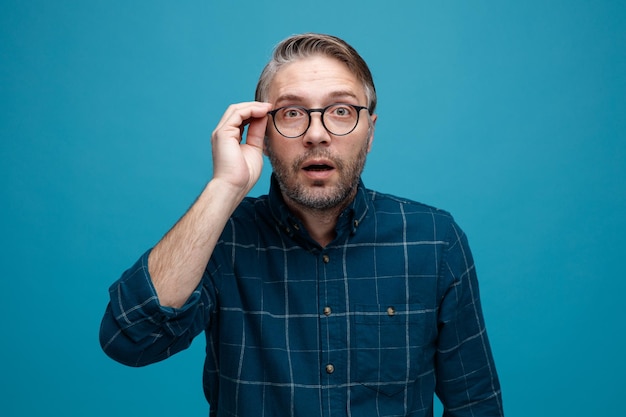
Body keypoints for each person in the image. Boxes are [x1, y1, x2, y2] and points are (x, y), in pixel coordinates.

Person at [99, 33, 504, 416]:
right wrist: (225, 187)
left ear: (370, 132)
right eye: (292, 113)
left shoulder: (434, 241)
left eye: (341, 111)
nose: (316, 134)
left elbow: (476, 405)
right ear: (264, 134)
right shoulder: (222, 237)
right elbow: (130, 339)